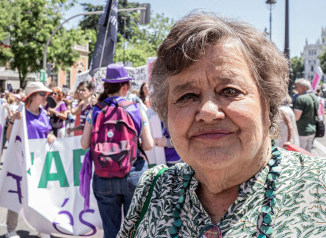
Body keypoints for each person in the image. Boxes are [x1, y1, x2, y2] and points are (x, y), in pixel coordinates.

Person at [118, 13, 326, 238]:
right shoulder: (153, 188)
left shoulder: (320, 187)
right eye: (187, 96)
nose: (208, 113)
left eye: (230, 91)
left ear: (268, 104)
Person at [80, 63, 153, 238]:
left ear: (105, 86)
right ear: (125, 86)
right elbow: (149, 144)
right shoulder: (136, 109)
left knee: (111, 231)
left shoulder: (95, 111)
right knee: (134, 231)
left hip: (103, 175)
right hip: (132, 173)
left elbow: (84, 144)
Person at [4, 82, 56, 238]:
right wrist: (12, 121)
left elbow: (47, 132)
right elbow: (9, 138)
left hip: (40, 161)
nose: (46, 97)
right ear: (32, 96)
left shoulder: (44, 114)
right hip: (22, 160)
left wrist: (51, 136)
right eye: (42, 94)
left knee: (41, 194)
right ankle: (10, 230)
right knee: (17, 194)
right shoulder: (20, 114)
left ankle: (41, 228)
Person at [293, 78, 318, 152]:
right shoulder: (314, 97)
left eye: (296, 87)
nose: (295, 89)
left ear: (302, 87)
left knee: (301, 154)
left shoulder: (300, 99)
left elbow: (296, 118)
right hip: (312, 129)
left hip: (302, 131)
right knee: (308, 154)